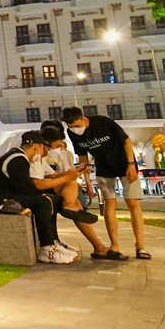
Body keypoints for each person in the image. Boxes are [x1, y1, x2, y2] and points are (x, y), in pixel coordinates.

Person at [63, 107, 150, 260]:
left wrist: (131, 164)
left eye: (77, 126)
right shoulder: (72, 133)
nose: (75, 130)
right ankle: (115, 245)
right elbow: (83, 157)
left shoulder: (103, 122)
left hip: (125, 164)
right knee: (109, 203)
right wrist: (87, 182)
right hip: (104, 168)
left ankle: (140, 246)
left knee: (133, 203)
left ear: (83, 118)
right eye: (71, 127)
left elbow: (127, 141)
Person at [0, 131, 76, 264]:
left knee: (52, 200)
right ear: (37, 147)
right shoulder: (17, 159)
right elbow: (24, 188)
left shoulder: (19, 156)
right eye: (44, 148)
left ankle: (54, 241)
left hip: (8, 196)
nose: (44, 153)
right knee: (43, 202)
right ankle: (47, 249)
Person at [39, 123, 119, 260]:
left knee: (73, 193)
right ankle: (98, 246)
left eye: (61, 145)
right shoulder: (37, 156)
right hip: (42, 189)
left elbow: (58, 175)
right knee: (72, 190)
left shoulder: (65, 155)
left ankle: (98, 246)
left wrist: (76, 172)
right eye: (57, 146)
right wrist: (70, 175)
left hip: (58, 188)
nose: (60, 149)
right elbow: (39, 180)